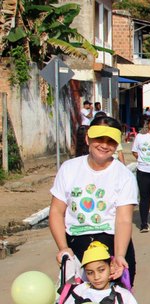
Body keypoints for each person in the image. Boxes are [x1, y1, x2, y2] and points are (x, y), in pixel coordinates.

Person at [50, 117, 138, 286]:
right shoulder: (69, 169)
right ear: (88, 139)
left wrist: (119, 255)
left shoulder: (124, 176)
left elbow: (124, 219)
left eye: (110, 141)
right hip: (77, 244)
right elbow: (56, 211)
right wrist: (63, 248)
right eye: (99, 139)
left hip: (111, 245)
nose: (104, 145)